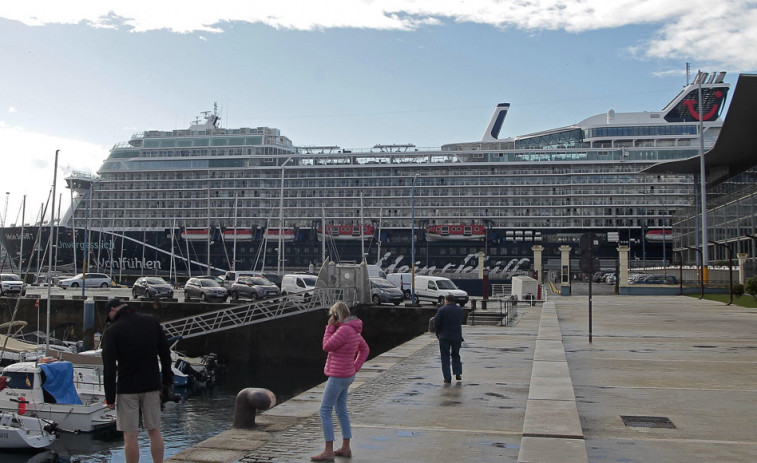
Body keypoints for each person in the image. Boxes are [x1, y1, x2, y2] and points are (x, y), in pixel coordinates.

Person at [102, 297, 173, 463]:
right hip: (151, 385)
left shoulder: (112, 331)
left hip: (127, 388)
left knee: (130, 435)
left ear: (113, 310)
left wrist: (110, 397)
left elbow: (109, 368)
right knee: (155, 430)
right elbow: (165, 354)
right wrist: (167, 381)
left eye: (109, 316)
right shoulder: (151, 321)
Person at [311, 301, 370, 462]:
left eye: (333, 315)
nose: (331, 318)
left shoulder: (343, 330)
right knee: (341, 410)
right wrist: (355, 367)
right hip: (347, 375)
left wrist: (329, 327)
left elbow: (327, 346)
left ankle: (328, 450)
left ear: (337, 315)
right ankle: (345, 446)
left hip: (337, 376)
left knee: (324, 411)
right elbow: (365, 349)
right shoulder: (354, 330)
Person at [433, 293, 464, 384]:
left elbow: (436, 322)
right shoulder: (460, 310)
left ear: (446, 301)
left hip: (444, 336)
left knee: (445, 357)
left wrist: (438, 332)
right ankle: (457, 372)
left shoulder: (442, 310)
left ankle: (447, 378)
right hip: (457, 336)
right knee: (456, 354)